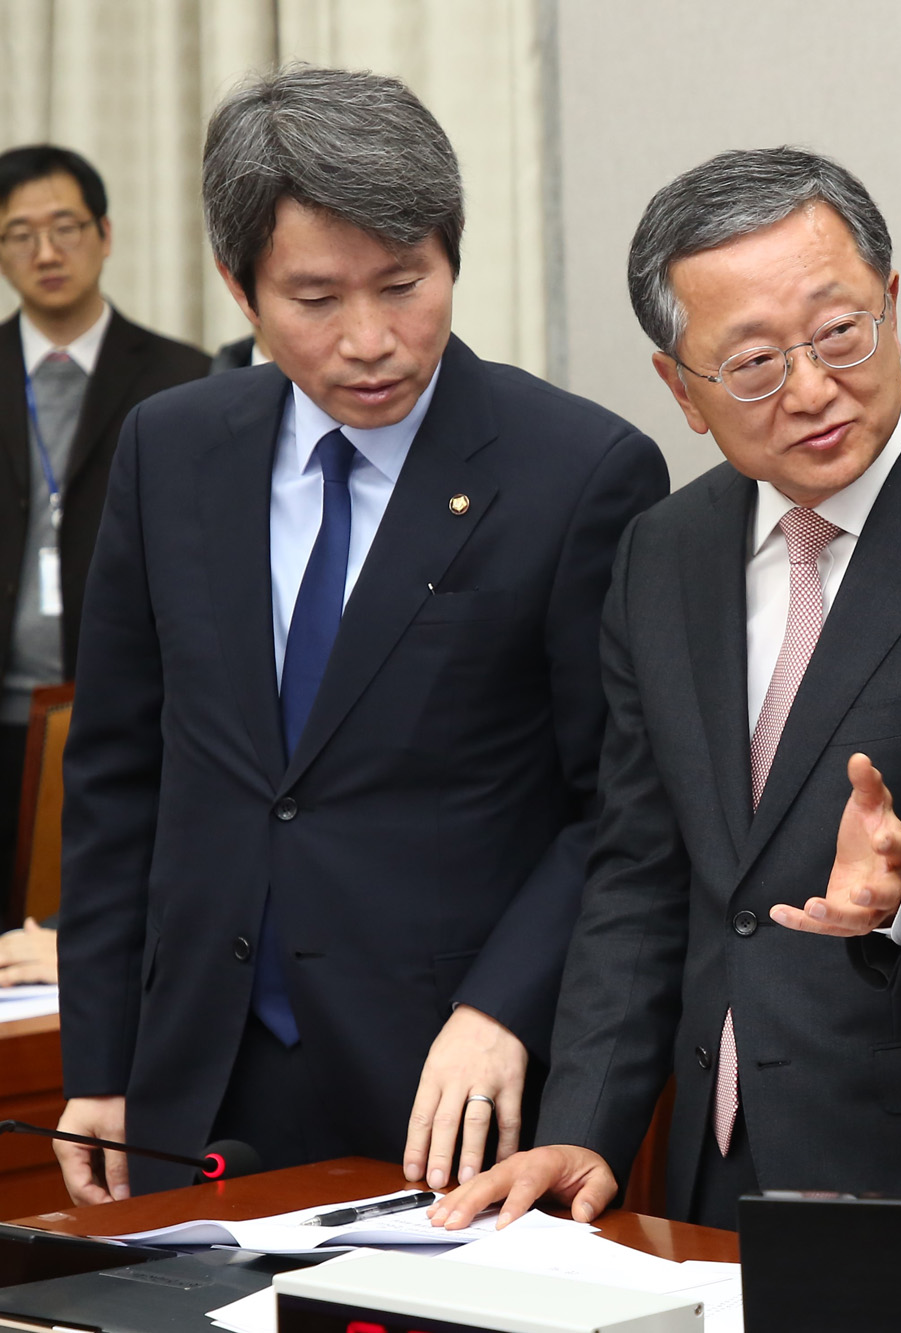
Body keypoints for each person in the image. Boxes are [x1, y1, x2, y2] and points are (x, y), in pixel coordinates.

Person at [430, 146, 901, 1233]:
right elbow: (638, 869)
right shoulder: (662, 553)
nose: (812, 389)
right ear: (680, 390)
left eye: (839, 332)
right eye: (753, 365)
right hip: (713, 1169)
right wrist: (584, 1126)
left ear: (891, 304)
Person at [54, 66, 669, 1202]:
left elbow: (617, 808)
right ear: (241, 291)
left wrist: (503, 1007)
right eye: (317, 298)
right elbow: (118, 770)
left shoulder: (576, 473)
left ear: (452, 256)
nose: (372, 339)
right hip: (198, 1068)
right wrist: (99, 1056)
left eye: (404, 284)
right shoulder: (170, 448)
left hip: (448, 1076)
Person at [0, 146, 207, 877]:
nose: (46, 252)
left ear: (106, 234)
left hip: (129, 715)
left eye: (66, 227)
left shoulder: (184, 378)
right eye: (20, 235)